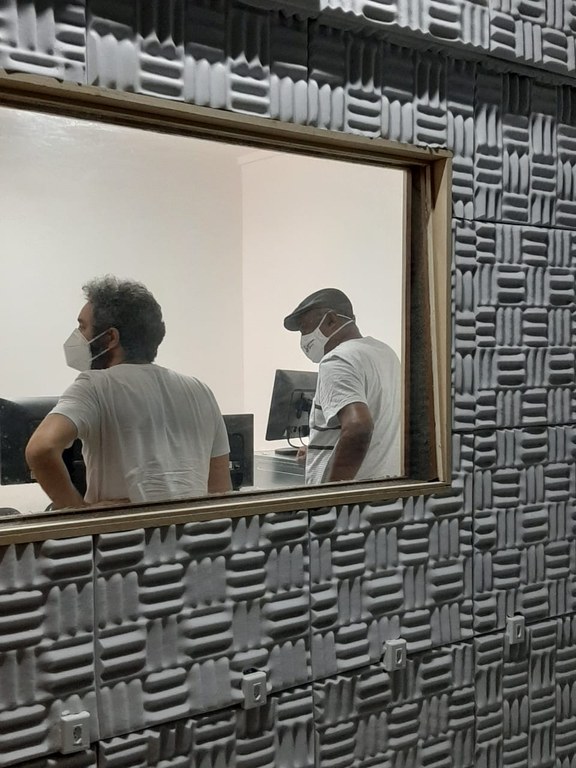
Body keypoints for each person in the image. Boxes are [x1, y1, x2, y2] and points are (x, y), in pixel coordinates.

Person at [26, 276, 231, 509]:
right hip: (190, 531)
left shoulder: (95, 385)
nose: (77, 336)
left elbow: (40, 449)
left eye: (83, 327)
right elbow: (220, 494)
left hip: (124, 532)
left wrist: (78, 512)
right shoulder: (200, 391)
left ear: (110, 338)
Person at [283, 288, 401, 484]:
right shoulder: (385, 353)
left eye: (304, 329)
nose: (303, 339)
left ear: (331, 320)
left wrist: (333, 492)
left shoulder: (337, 360)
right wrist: (319, 455)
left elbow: (358, 426)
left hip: (354, 497)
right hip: (387, 488)